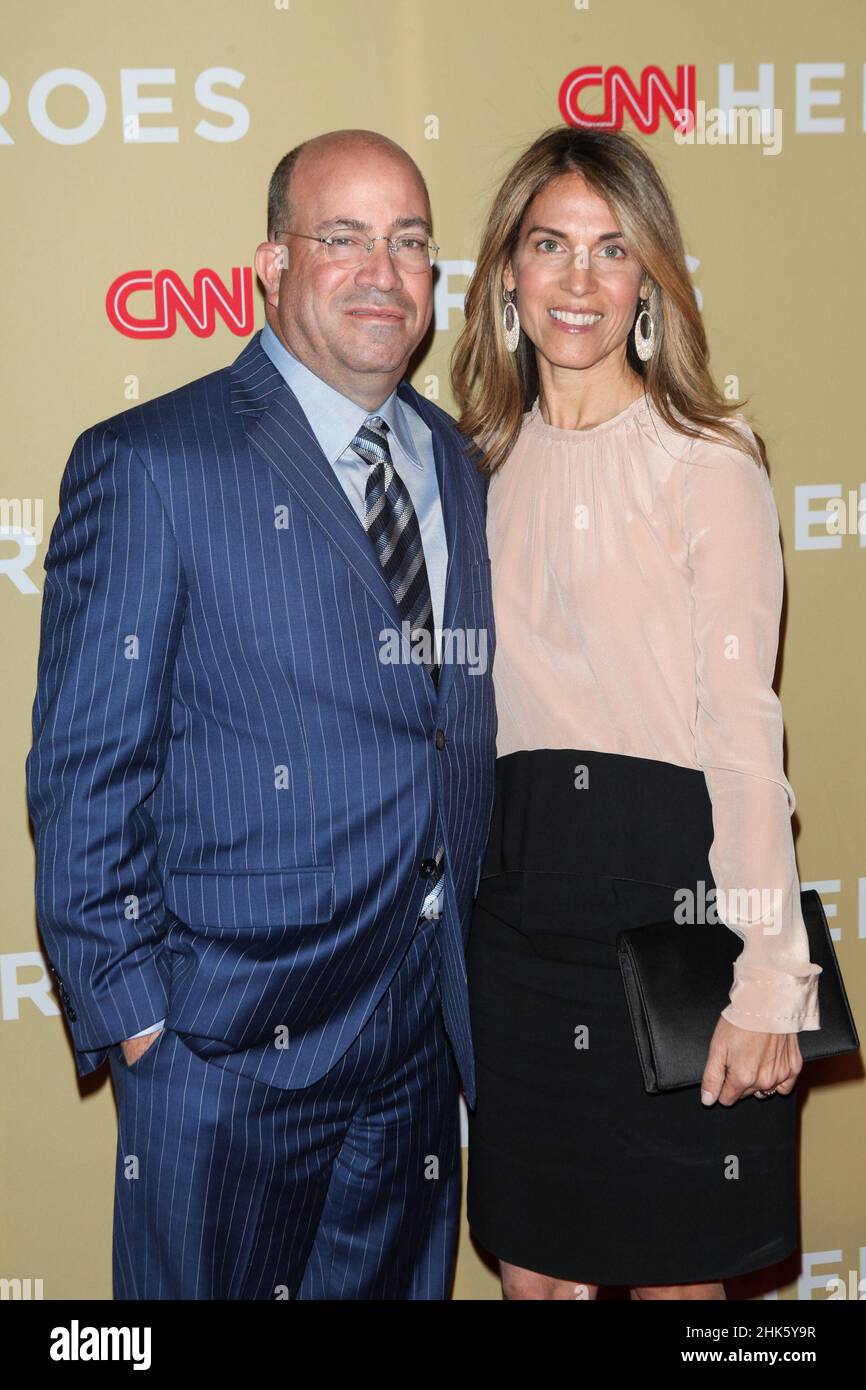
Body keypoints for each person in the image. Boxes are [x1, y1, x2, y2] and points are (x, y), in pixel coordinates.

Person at [26, 128, 496, 1300]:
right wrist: (145, 1029)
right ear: (270, 266)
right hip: (222, 1054)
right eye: (341, 238)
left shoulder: (454, 461)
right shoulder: (150, 463)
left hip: (413, 1051)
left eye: (409, 243)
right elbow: (86, 770)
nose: (383, 272)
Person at [451, 124, 823, 1302]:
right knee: (536, 1282)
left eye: (610, 251)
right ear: (505, 272)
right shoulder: (471, 466)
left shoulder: (704, 463)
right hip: (515, 928)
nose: (575, 280)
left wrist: (770, 976)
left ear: (649, 279)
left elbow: (740, 736)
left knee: (677, 1285)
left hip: (677, 922)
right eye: (547, 245)